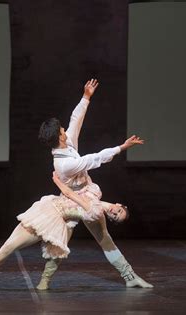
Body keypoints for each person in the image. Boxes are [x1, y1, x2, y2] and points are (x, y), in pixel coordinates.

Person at [36, 79, 153, 289]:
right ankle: (45, 280)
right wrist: (122, 147)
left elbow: (75, 120)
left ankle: (130, 277)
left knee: (104, 238)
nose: (64, 129)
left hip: (87, 195)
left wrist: (86, 97)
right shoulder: (64, 163)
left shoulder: (67, 143)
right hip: (72, 201)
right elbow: (95, 158)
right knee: (63, 241)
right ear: (59, 137)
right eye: (62, 130)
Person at [0, 172, 130, 290]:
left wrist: (57, 181)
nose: (115, 214)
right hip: (47, 210)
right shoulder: (96, 190)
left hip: (55, 221)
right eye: (119, 211)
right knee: (7, 249)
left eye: (116, 218)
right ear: (119, 204)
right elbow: (84, 168)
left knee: (14, 250)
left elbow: (71, 196)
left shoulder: (97, 213)